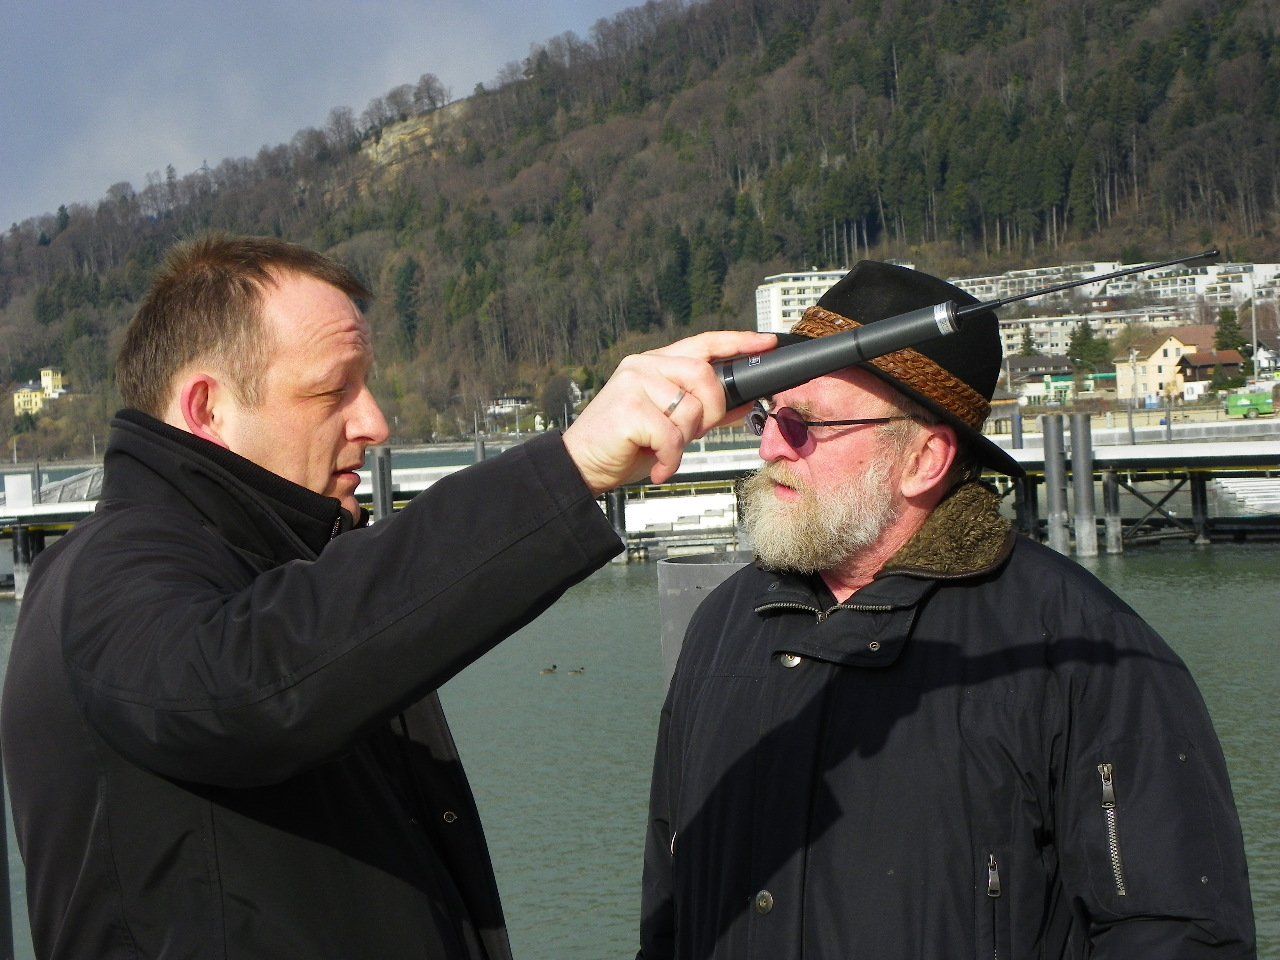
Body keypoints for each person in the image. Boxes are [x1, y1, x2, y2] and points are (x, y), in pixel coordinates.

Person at [0, 234, 774, 960]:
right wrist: (567, 471)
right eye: (331, 390)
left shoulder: (281, 572)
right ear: (207, 408)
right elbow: (245, 685)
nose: (375, 422)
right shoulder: (107, 569)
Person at [637, 261, 1256, 960]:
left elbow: (1175, 934)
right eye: (770, 415)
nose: (771, 446)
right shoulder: (724, 624)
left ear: (924, 459)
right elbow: (667, 910)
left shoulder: (1084, 652)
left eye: (805, 425)